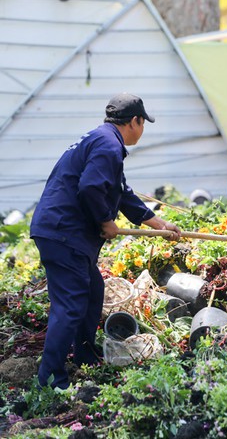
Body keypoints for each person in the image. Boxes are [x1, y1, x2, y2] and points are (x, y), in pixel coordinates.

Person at [30, 93, 181, 389]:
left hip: (63, 231)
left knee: (92, 291)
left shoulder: (103, 140)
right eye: (143, 123)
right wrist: (105, 221)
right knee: (70, 305)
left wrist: (160, 224)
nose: (142, 129)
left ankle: (85, 356)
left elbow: (122, 193)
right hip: (63, 233)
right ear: (135, 121)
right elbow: (89, 188)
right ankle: (51, 381)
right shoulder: (109, 145)